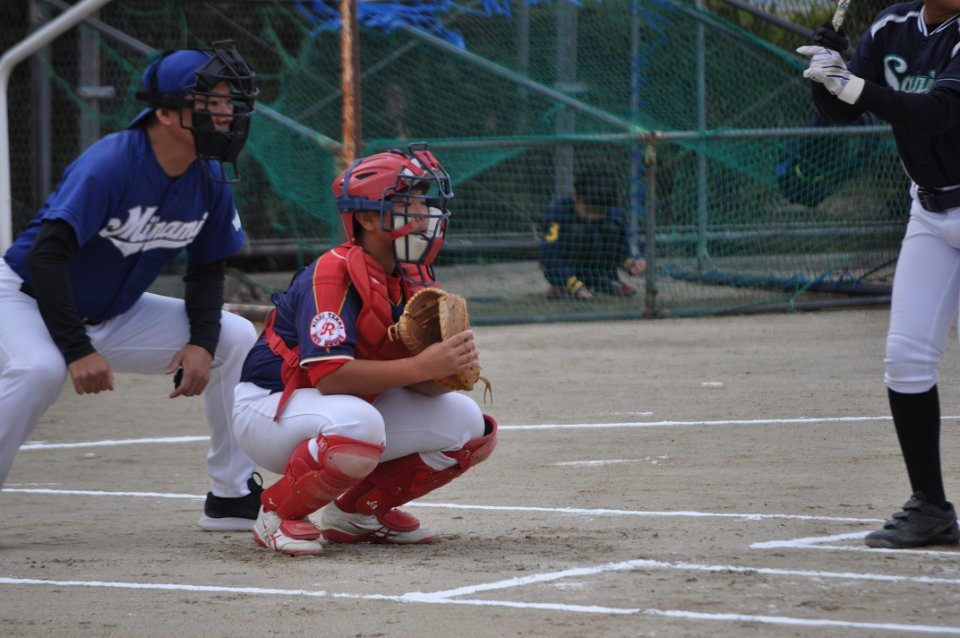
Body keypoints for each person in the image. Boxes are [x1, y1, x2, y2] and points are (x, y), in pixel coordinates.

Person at [0, 42, 264, 533]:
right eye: (211, 102)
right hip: (24, 299)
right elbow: (46, 256)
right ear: (164, 112)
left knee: (235, 337)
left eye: (230, 102)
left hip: (111, 312)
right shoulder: (111, 164)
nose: (226, 113)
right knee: (40, 368)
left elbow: (207, 267)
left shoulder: (208, 175)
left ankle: (231, 496)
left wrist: (201, 341)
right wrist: (77, 350)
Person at [232, 142, 497, 556]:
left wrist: (446, 370)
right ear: (367, 218)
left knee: (469, 425)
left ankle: (357, 514)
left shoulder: (411, 275)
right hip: (269, 407)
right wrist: (423, 365)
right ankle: (277, 513)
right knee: (360, 425)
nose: (423, 212)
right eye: (407, 203)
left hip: (337, 405)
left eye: (424, 202)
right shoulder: (332, 273)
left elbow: (414, 381)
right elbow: (330, 376)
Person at [798, 5, 960, 548]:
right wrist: (826, 72)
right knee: (906, 358)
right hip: (929, 212)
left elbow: (938, 112)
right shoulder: (892, 27)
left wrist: (851, 86)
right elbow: (842, 112)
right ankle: (930, 507)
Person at [539, 168, 645, 300]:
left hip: (598, 268)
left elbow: (621, 247)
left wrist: (631, 263)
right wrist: (570, 282)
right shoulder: (558, 213)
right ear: (575, 195)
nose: (594, 216)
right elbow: (549, 256)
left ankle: (608, 281)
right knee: (579, 231)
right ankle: (561, 285)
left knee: (612, 227)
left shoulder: (614, 214)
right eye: (589, 209)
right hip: (565, 271)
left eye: (601, 210)